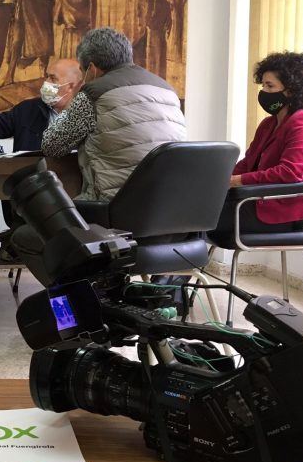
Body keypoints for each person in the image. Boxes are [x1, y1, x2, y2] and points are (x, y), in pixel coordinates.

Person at [11, 27, 185, 284]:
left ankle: (81, 307)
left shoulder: (94, 92)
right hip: (176, 218)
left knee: (24, 237)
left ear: (91, 69)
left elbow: (52, 146)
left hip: (118, 214)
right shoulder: (166, 90)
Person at [215, 52, 303, 233]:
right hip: (253, 203)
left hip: (281, 214)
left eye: (270, 86)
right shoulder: (268, 124)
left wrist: (237, 181)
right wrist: (218, 180)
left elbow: (290, 173)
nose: (264, 92)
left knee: (196, 217)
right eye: (263, 85)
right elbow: (247, 163)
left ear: (291, 90)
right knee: (194, 210)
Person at [0, 58, 83, 256]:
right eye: (46, 76)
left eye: (52, 78)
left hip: (75, 203)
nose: (45, 82)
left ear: (71, 86)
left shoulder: (87, 116)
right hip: (29, 201)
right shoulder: (28, 110)